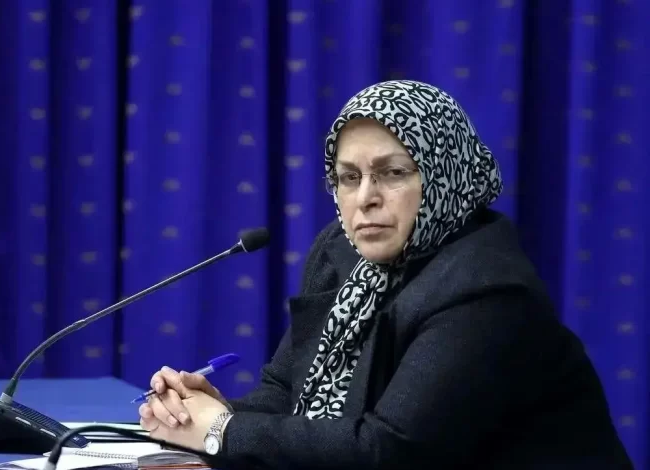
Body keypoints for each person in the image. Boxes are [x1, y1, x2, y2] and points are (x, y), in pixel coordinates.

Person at [137, 80, 633, 469]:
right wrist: (209, 411)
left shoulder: (486, 291)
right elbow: (287, 390)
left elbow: (390, 451)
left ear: (443, 175)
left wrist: (223, 432)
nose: (365, 198)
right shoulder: (341, 253)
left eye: (393, 173)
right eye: (348, 177)